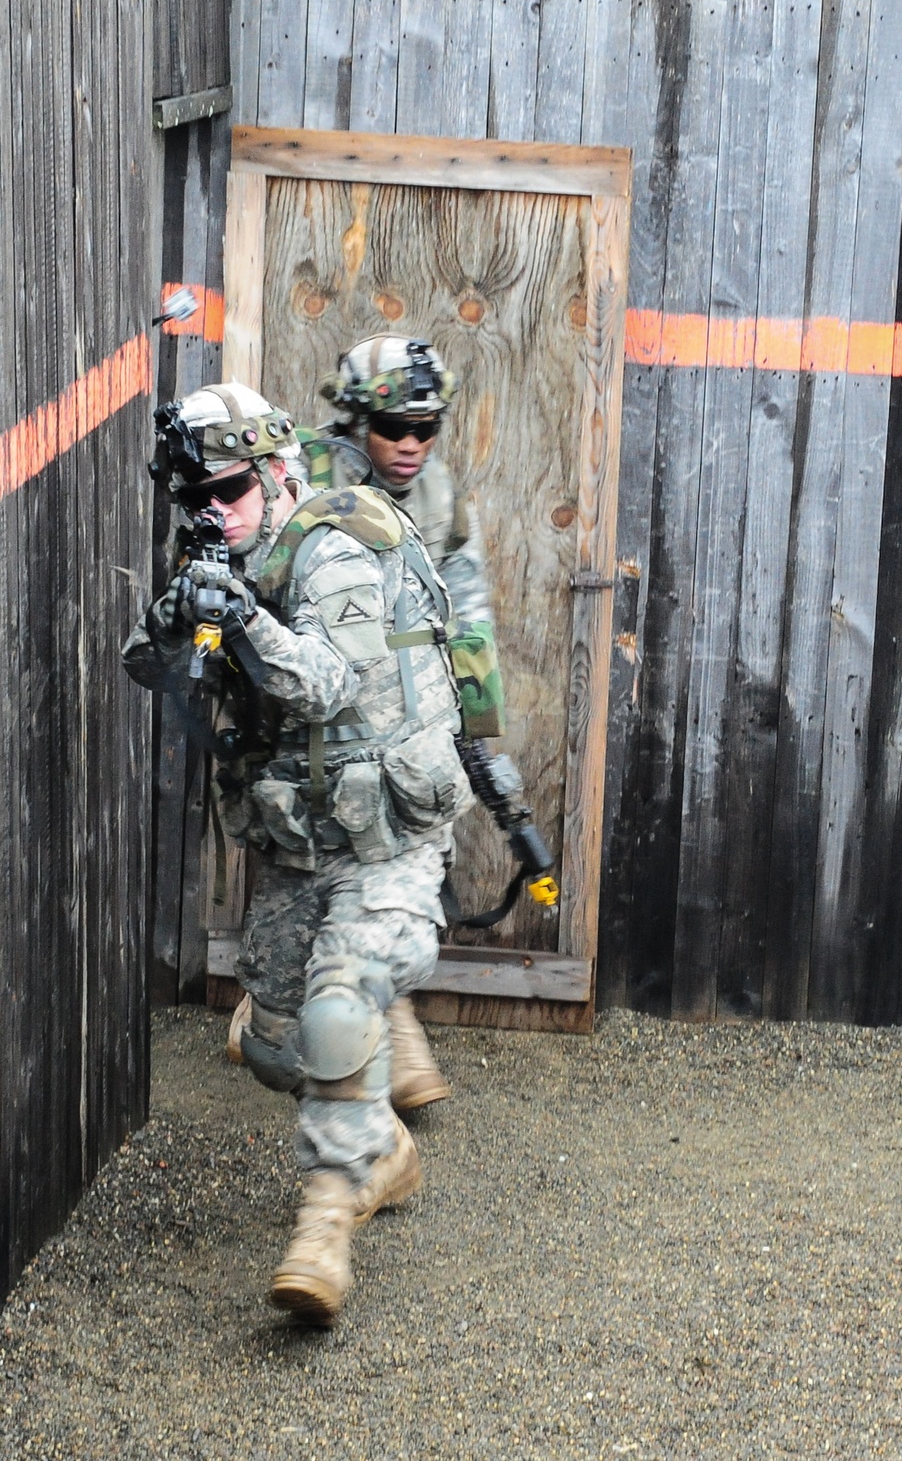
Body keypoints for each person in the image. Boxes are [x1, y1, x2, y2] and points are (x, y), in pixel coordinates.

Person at [122, 381, 476, 1324]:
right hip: (297, 846)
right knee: (279, 1049)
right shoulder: (217, 550)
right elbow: (145, 666)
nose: (213, 512)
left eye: (231, 490)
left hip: (391, 836)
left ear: (275, 473)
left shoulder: (331, 553)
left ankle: (323, 1228)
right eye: (193, 497)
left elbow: (319, 681)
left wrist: (235, 614)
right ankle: (385, 1150)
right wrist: (178, 617)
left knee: (336, 1016)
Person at [229, 335, 505, 1101]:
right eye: (394, 427)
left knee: (384, 878)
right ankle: (305, 1020)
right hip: (296, 720)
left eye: (428, 428)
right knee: (304, 873)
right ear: (354, 421)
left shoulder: (438, 494)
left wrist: (481, 740)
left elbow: (469, 622)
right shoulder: (297, 477)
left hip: (395, 729)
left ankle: (376, 1035)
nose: (412, 444)